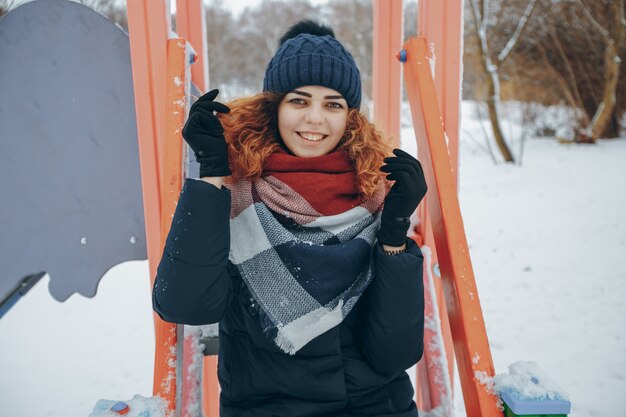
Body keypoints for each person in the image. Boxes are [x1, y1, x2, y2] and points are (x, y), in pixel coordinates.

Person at [153, 20, 427, 417]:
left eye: (333, 104)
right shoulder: (233, 197)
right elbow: (186, 305)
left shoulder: (377, 194)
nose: (315, 119)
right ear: (274, 106)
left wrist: (395, 235)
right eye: (299, 101)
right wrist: (211, 175)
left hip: (374, 406)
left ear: (350, 116)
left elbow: (394, 353)